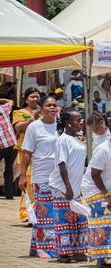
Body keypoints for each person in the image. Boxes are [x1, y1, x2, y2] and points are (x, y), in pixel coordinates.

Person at [80, 116, 111, 268]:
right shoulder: (103, 149)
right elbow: (95, 175)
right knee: (105, 219)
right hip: (93, 187)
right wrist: (107, 195)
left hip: (109, 186)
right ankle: (103, 258)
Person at [19, 95, 59, 258]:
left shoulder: (61, 125)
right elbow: (27, 153)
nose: (52, 108)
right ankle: (44, 247)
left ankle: (36, 246)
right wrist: (23, 176)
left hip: (58, 175)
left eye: (54, 105)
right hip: (41, 174)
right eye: (48, 105)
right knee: (44, 212)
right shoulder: (34, 127)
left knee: (55, 211)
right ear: (40, 109)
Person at [48, 108, 88, 263]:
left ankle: (78, 250)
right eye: (77, 120)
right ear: (68, 123)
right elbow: (62, 164)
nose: (80, 122)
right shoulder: (62, 140)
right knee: (65, 220)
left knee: (78, 219)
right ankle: (64, 253)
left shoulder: (76, 139)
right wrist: (68, 187)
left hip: (75, 187)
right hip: (63, 187)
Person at [13, 87, 41, 223]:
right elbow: (19, 128)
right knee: (28, 181)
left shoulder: (45, 112)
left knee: (38, 181)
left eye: (37, 97)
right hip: (25, 150)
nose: (35, 99)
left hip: (41, 150)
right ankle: (28, 214)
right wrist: (33, 118)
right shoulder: (19, 112)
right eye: (32, 97)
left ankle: (39, 212)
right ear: (26, 99)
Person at [0, 94, 17, 200]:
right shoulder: (4, 109)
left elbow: (11, 101)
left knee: (9, 170)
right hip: (10, 144)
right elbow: (10, 101)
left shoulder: (3, 109)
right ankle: (9, 194)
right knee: (8, 171)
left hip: (9, 144)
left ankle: (9, 194)